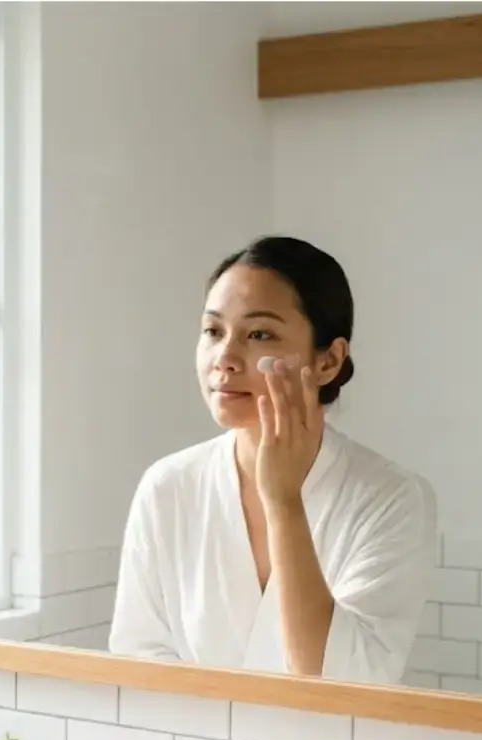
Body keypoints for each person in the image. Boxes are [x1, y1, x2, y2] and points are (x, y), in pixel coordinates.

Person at [108, 236, 437, 684]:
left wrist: (283, 501)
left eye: (259, 334)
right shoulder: (169, 486)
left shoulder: (391, 499)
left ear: (328, 361)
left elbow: (347, 685)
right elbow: (138, 667)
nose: (223, 357)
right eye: (212, 331)